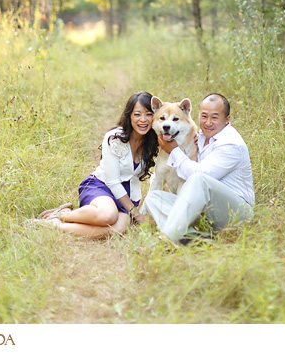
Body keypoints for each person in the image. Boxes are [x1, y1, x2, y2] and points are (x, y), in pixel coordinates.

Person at [36, 91, 158, 239]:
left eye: (148, 114)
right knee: (108, 216)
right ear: (129, 116)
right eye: (137, 114)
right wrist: (136, 214)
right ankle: (64, 214)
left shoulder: (153, 141)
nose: (143, 120)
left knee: (119, 228)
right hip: (102, 186)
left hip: (126, 196)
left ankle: (55, 224)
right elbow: (112, 181)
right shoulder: (115, 138)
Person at [142, 93, 255, 244]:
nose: (208, 122)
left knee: (198, 178)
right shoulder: (200, 137)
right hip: (205, 207)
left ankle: (163, 241)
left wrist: (173, 150)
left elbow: (200, 175)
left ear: (227, 120)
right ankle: (195, 238)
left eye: (214, 117)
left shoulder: (231, 145)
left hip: (235, 212)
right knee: (154, 198)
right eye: (204, 116)